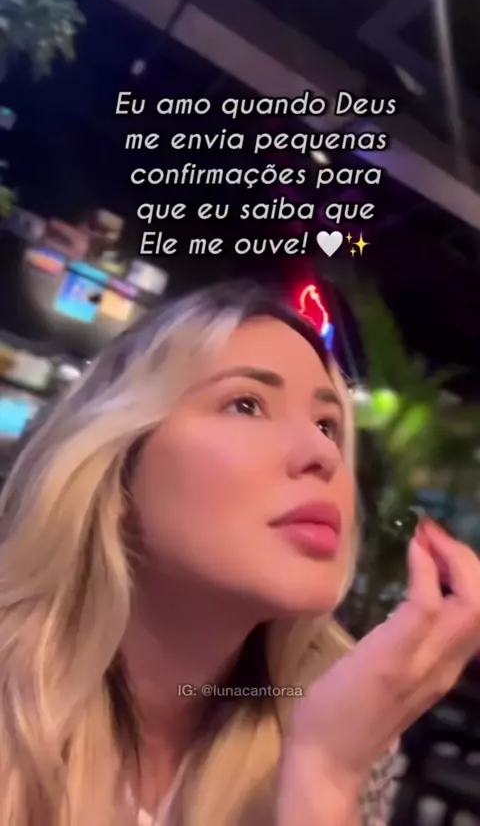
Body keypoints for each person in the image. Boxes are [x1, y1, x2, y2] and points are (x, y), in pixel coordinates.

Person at [0, 280, 478, 826]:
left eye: (327, 425)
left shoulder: (345, 724)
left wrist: (324, 775)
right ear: (119, 471)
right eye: (246, 404)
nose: (323, 453)